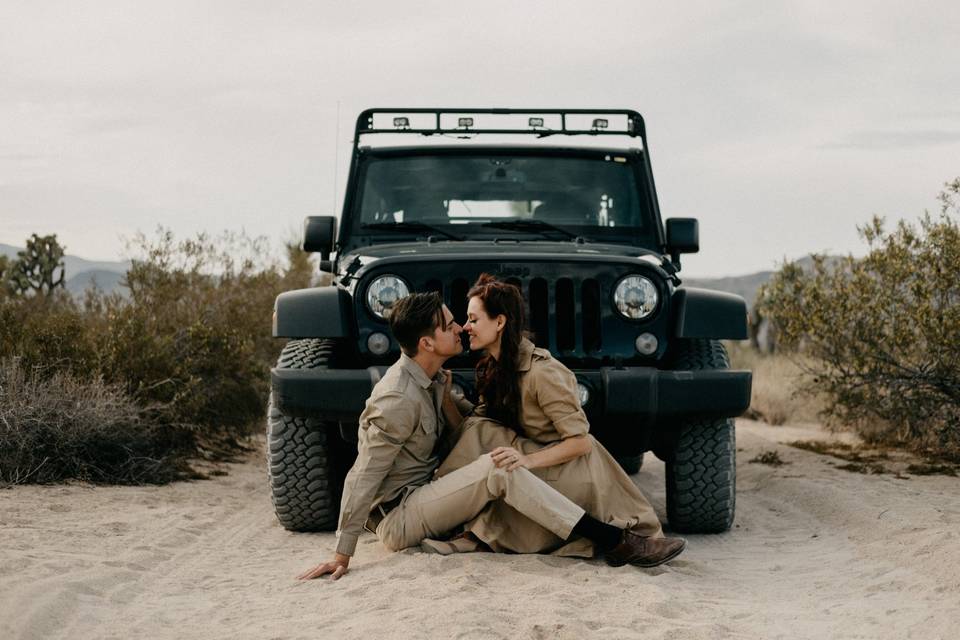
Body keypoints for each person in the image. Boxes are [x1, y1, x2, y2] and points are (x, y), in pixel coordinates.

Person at [298, 292, 685, 580]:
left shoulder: (432, 379)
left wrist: (452, 402)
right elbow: (363, 474)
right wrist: (342, 553)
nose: (459, 328)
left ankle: (611, 520)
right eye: (449, 324)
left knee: (494, 443)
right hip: (400, 516)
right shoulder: (397, 397)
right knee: (497, 469)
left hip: (430, 491)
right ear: (427, 343)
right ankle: (615, 541)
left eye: (461, 319)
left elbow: (467, 428)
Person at [435, 274, 682, 559]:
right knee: (480, 431)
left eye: (474, 320)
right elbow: (474, 426)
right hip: (535, 459)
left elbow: (580, 442)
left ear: (500, 322)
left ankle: (611, 538)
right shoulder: (497, 367)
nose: (466, 327)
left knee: (491, 450)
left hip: (568, 468)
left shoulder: (543, 373)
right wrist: (444, 396)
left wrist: (526, 461)